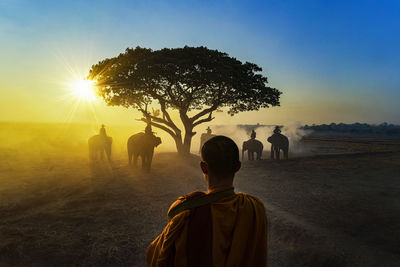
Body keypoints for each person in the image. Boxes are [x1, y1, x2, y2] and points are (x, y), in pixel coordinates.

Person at [146, 136, 268, 267]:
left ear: (203, 167)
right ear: (237, 167)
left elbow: (156, 256)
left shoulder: (184, 211)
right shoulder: (255, 208)